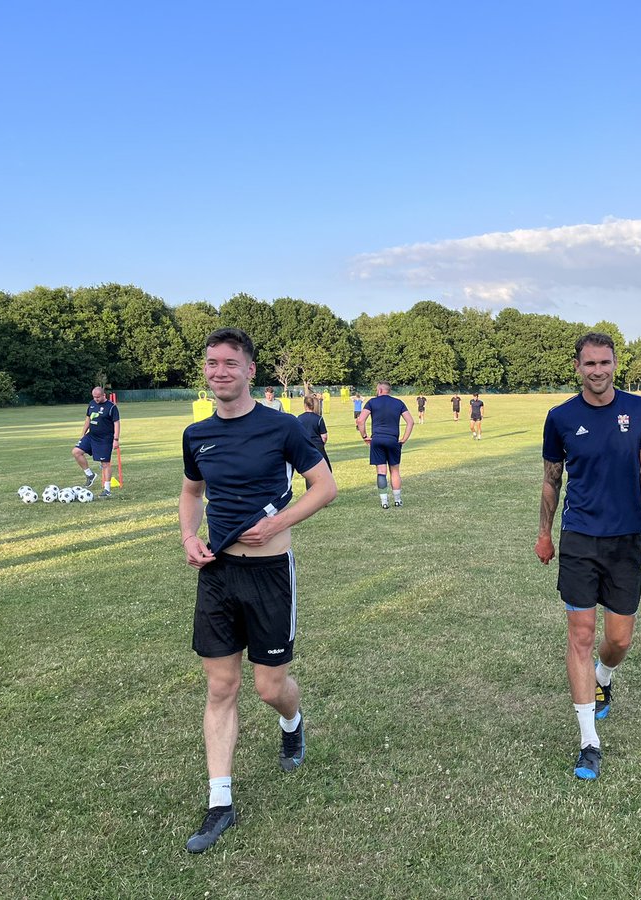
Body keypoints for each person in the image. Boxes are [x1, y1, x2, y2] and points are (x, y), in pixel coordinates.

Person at [179, 327, 337, 853]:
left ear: (250, 370)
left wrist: (274, 525)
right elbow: (191, 492)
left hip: (270, 574)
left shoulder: (283, 427)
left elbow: (326, 487)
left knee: (270, 688)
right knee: (221, 686)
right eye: (211, 363)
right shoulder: (196, 434)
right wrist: (188, 536)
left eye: (230, 363)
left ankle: (292, 721)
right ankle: (219, 802)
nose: (219, 371)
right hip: (218, 574)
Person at [534, 332, 641, 781]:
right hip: (579, 539)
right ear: (577, 367)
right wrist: (544, 533)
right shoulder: (560, 418)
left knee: (619, 640)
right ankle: (589, 740)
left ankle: (605, 678)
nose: (597, 371)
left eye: (604, 363)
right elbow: (552, 481)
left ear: (614, 364)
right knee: (581, 634)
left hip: (626, 539)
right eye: (589, 364)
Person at [355, 381, 413, 509]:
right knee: (395, 471)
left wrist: (365, 437)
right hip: (393, 440)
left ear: (380, 390)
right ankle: (397, 500)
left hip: (377, 439)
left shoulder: (372, 402)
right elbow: (410, 422)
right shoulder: (399, 403)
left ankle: (384, 502)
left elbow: (360, 420)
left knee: (381, 471)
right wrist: (404, 439)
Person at [72, 386, 120, 499]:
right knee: (76, 452)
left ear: (104, 395)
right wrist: (83, 433)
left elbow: (117, 423)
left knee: (105, 464)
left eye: (98, 397)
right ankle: (90, 475)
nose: (96, 399)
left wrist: (116, 439)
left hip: (105, 439)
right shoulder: (92, 403)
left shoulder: (112, 407)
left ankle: (107, 489)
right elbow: (88, 419)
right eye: (94, 397)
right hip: (91, 436)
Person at [296, 395, 331, 474]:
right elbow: (324, 436)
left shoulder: (299, 418)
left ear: (305, 405)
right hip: (318, 447)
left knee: (309, 472)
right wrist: (322, 444)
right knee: (326, 471)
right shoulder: (319, 419)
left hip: (305, 447)